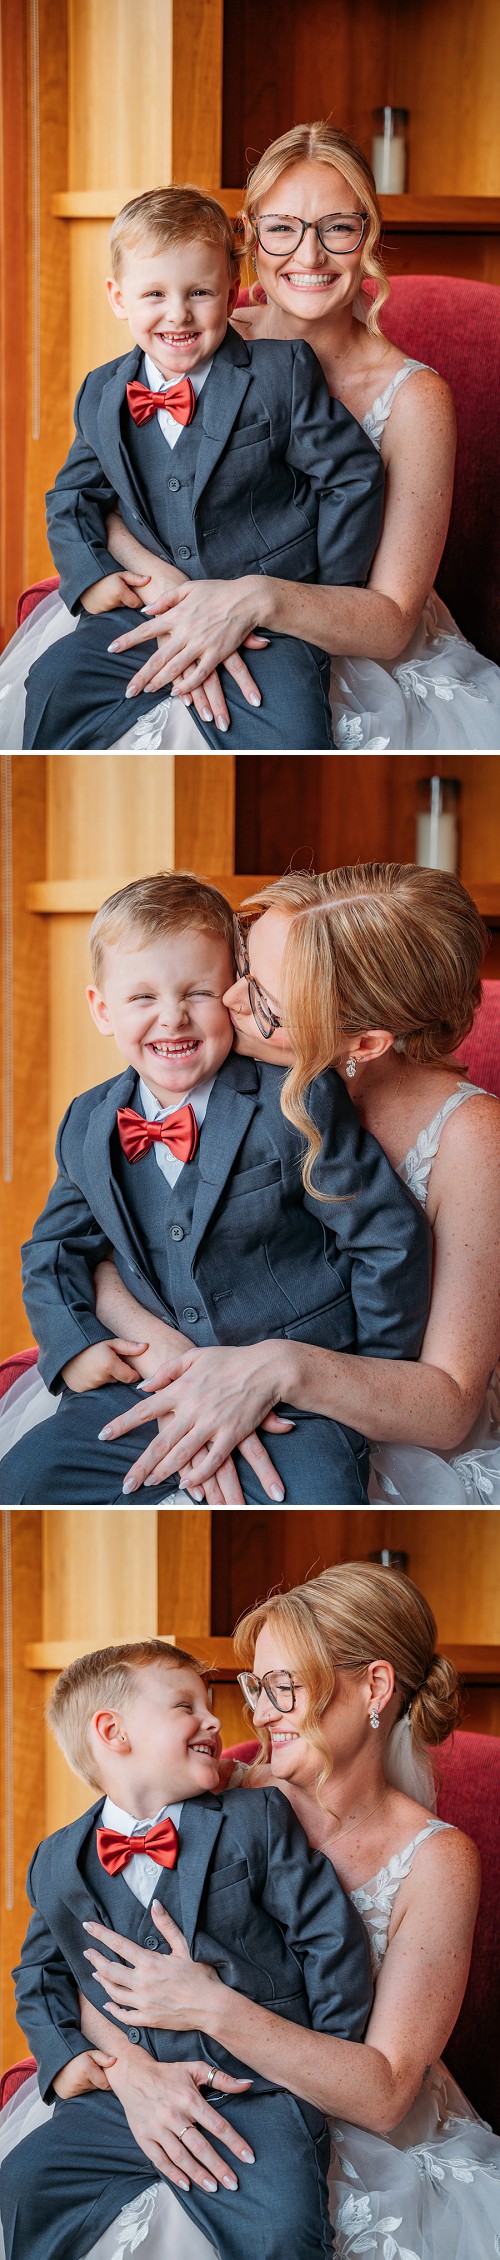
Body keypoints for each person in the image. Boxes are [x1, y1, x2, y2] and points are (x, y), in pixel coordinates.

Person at [4, 1562, 497, 2260]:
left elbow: (384, 2095)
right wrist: (132, 2077)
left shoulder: (439, 1860)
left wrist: (210, 2008)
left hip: (336, 2118)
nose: (256, 1713)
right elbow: (92, 1958)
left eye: (281, 1688)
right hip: (163, 2082)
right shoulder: (218, 1785)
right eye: (253, 1688)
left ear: (374, 1688)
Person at [0, 867, 431, 1507]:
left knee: (312, 1498)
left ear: (234, 993)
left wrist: (358, 1378)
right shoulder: (87, 1121)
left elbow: (385, 1236)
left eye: (199, 991)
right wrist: (77, 1346)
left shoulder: (299, 1097)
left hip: (289, 1403)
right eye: (142, 998)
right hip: (146, 1390)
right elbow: (53, 1248)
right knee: (25, 1482)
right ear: (101, 1008)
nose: (172, 1018)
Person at [94, 861, 500, 1506]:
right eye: (244, 968)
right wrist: (173, 1356)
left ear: (363, 1041)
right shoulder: (230, 1070)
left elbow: (448, 1403)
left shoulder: (473, 1138)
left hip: (371, 1423)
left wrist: (279, 1369)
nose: (224, 1002)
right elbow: (112, 1239)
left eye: (261, 1000)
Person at [87, 120, 500, 751]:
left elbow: (390, 622)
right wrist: (172, 593)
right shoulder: (194, 332)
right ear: (249, 238)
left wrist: (254, 601)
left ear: (368, 235)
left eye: (337, 227)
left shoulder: (416, 398)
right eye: (282, 228)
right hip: (173, 607)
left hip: (346, 640)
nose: (309, 257)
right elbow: (109, 493)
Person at [0, 1633, 373, 2260]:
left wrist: (319, 2076)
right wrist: (69, 2061)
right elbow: (39, 1972)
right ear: (113, 1732)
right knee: (21, 2187)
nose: (215, 1720)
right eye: (186, 1707)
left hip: (257, 2093)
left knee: (283, 2228)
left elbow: (329, 1939)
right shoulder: (55, 1860)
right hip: (125, 2099)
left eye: (210, 1704)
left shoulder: (256, 1818)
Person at [17, 180, 383, 752]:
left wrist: (322, 594)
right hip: (149, 611)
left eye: (200, 293)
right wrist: (91, 579)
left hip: (266, 621)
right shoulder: (100, 391)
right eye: (154, 295)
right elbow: (72, 497)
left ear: (232, 290)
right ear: (118, 298)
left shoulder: (279, 372)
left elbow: (352, 476)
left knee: (291, 728)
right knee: (53, 683)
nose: (178, 314)